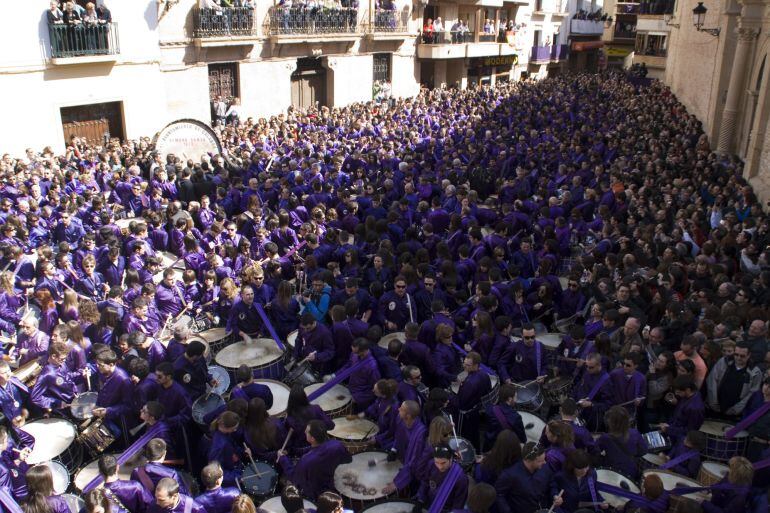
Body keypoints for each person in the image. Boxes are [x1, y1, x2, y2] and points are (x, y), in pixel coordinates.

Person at [277, 419, 352, 500]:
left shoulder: (306, 461)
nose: (304, 432)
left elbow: (294, 477)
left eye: (306, 432)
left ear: (312, 438)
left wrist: (283, 459)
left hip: (318, 493)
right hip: (337, 484)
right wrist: (292, 451)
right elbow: (348, 460)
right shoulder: (337, 445)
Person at [495, 442, 555, 513]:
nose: (544, 462)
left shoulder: (544, 468)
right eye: (540, 461)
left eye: (544, 459)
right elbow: (499, 495)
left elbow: (552, 483)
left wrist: (555, 495)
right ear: (529, 460)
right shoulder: (509, 475)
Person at [706, 342, 762, 416]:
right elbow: (712, 381)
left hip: (736, 412)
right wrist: (713, 403)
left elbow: (752, 393)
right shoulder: (724, 362)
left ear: (749, 355)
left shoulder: (755, 372)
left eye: (742, 356)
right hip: (715, 406)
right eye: (736, 354)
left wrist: (736, 409)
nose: (738, 358)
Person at [596, 406, 647, 480]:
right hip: (630, 472)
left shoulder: (605, 438)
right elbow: (643, 451)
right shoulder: (635, 433)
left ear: (611, 422)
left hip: (611, 471)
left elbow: (595, 451)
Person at [415, 444, 468, 512]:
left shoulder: (461, 479)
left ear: (451, 459)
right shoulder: (431, 464)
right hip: (429, 504)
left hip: (446, 510)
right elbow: (425, 482)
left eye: (443, 463)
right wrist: (420, 500)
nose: (440, 467)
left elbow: (458, 504)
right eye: (437, 462)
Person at [660, 376, 705, 443]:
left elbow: (690, 431)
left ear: (688, 390)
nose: (676, 394)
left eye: (678, 392)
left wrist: (668, 429)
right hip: (674, 432)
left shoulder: (695, 408)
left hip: (681, 440)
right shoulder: (687, 397)